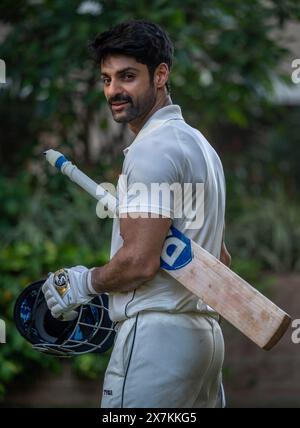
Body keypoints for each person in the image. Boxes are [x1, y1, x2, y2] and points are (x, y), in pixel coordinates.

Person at [42, 20, 231, 408]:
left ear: (161, 74)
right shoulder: (201, 147)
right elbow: (221, 259)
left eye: (127, 76)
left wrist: (84, 283)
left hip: (156, 342)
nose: (114, 90)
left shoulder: (152, 149)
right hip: (205, 342)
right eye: (107, 79)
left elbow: (141, 262)